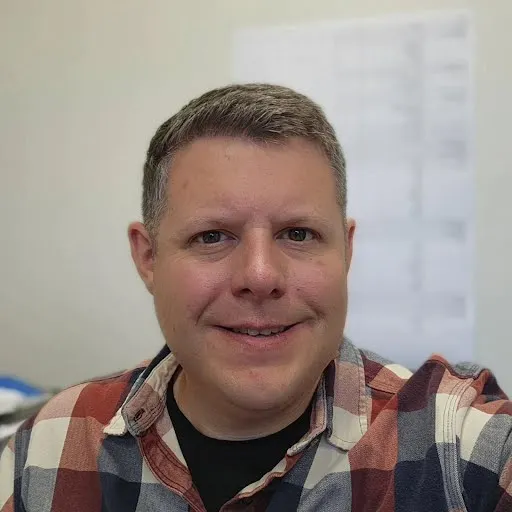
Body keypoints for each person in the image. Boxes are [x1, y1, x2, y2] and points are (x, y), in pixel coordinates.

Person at [0, 83, 511, 512]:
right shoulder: (49, 446)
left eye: (298, 234)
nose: (261, 275)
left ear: (347, 250)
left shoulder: (459, 451)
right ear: (148, 257)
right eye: (212, 236)